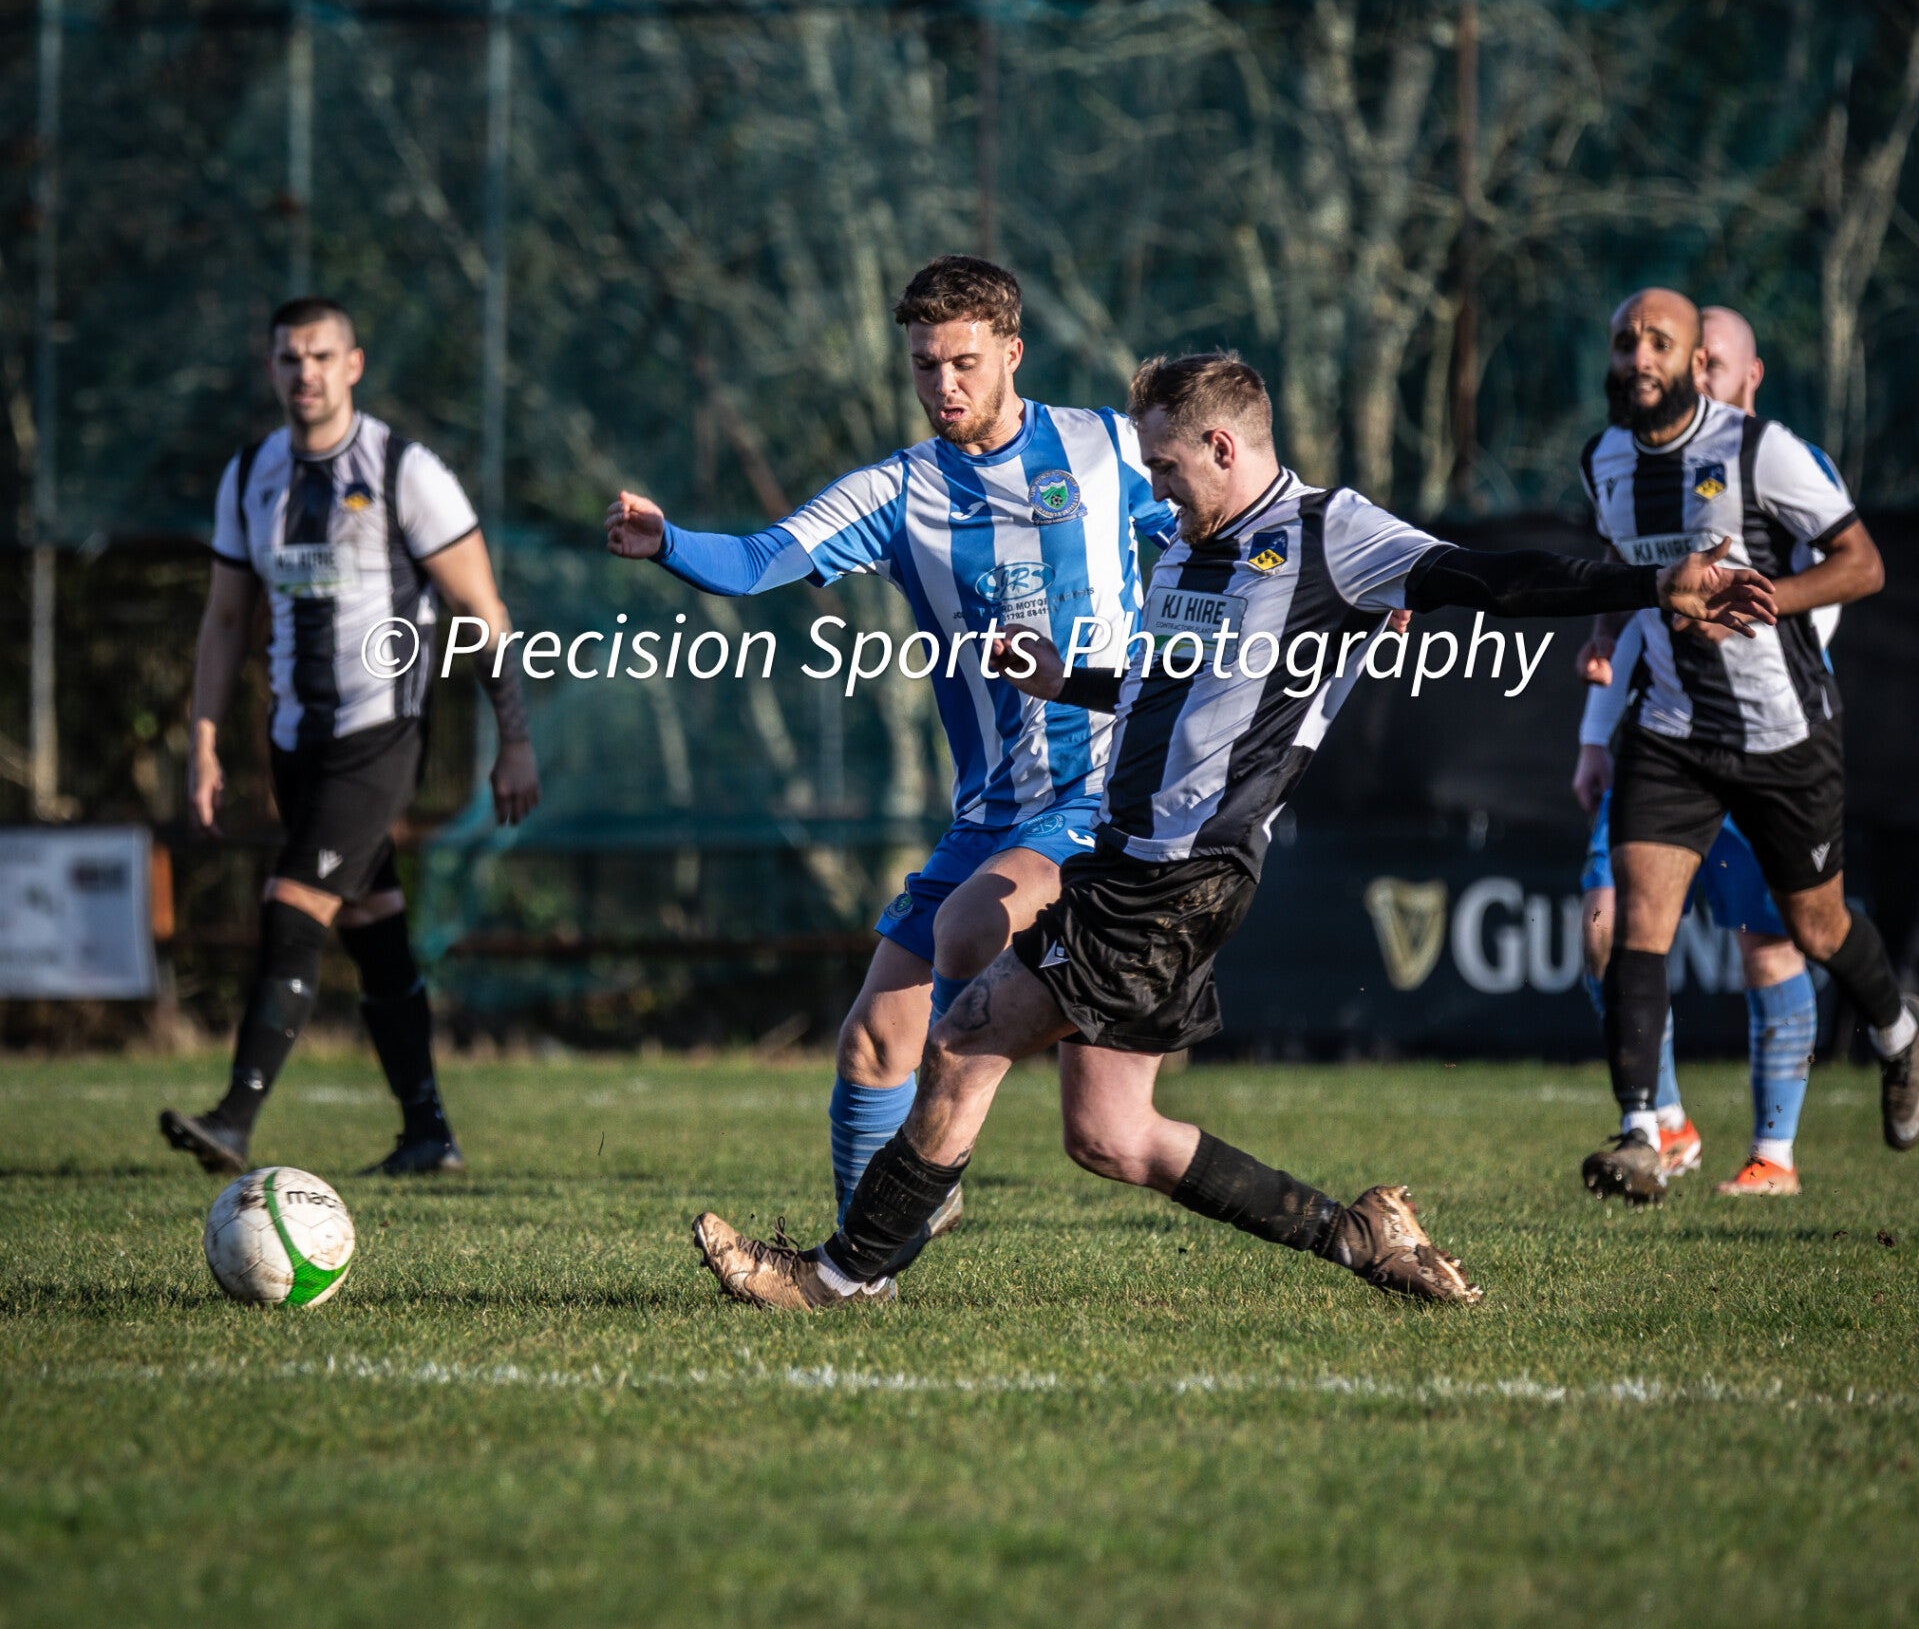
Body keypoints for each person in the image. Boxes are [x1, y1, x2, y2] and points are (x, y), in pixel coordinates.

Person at [687, 351, 1774, 1312]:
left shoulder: (1332, 536)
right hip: (1135, 863)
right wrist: (1071, 677)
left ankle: (834, 1275)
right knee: (1112, 1136)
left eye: (1164, 468)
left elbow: (1494, 578)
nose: (1154, 489)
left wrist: (1656, 582)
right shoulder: (1185, 552)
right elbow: (1174, 689)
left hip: (1177, 875)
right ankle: (1356, 1235)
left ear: (1218, 444)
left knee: (966, 1038)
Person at [605, 255, 1176, 1255]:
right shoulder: (896, 491)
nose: (942, 385)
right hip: (990, 812)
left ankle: (920, 1176)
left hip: (1102, 798)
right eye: (923, 366)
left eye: (961, 361)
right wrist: (667, 541)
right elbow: (757, 560)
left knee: (965, 937)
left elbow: (1219, 512)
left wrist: (1327, 589)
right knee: (871, 1041)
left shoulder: (1103, 448)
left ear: (1011, 351)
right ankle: (865, 1258)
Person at [161, 298, 540, 1177]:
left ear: (353, 364)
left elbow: (481, 611)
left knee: (293, 905)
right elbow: (224, 621)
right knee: (373, 929)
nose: (307, 374)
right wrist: (205, 741)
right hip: (294, 740)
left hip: (381, 734)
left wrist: (512, 738)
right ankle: (426, 1134)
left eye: (322, 356)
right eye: (290, 359)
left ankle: (234, 1116)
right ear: (272, 370)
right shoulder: (250, 474)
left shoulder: (403, 468)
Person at [1575, 288, 1918, 1207]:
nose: (1637, 357)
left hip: (1781, 736)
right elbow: (1625, 569)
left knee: (1813, 928)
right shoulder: (1602, 460)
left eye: (1658, 341)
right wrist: (1607, 630)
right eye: (1623, 342)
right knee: (1630, 923)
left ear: (1696, 363)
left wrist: (1764, 596)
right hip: (1672, 729)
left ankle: (1895, 1031)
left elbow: (1864, 564)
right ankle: (1643, 1132)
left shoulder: (1760, 452)